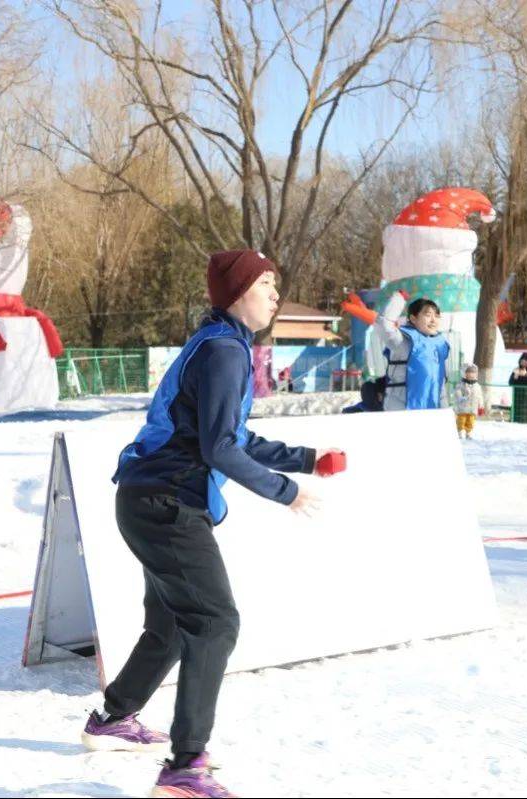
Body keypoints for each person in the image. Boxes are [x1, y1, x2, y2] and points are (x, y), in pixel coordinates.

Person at [81, 249, 342, 797]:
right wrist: (286, 491)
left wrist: (305, 457)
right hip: (167, 505)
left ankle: (113, 718)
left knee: (175, 623)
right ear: (238, 292)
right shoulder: (225, 351)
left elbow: (233, 436)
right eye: (267, 284)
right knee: (216, 623)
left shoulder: (220, 344)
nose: (275, 294)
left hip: (147, 499)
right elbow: (220, 447)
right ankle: (185, 766)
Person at [377, 293, 450, 411]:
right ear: (413, 318)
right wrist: (398, 299)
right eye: (428, 315)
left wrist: (444, 411)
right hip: (402, 409)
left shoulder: (439, 344)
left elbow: (439, 383)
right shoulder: (404, 341)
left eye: (437, 316)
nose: (433, 320)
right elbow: (383, 324)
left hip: (431, 410)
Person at [453, 364, 485, 439]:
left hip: (472, 407)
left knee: (470, 421)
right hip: (463, 407)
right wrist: (460, 397)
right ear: (465, 374)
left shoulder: (477, 386)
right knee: (461, 420)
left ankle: (468, 432)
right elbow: (457, 391)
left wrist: (481, 405)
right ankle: (460, 431)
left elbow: (479, 395)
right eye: (469, 373)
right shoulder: (461, 384)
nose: (471, 375)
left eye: (473, 373)